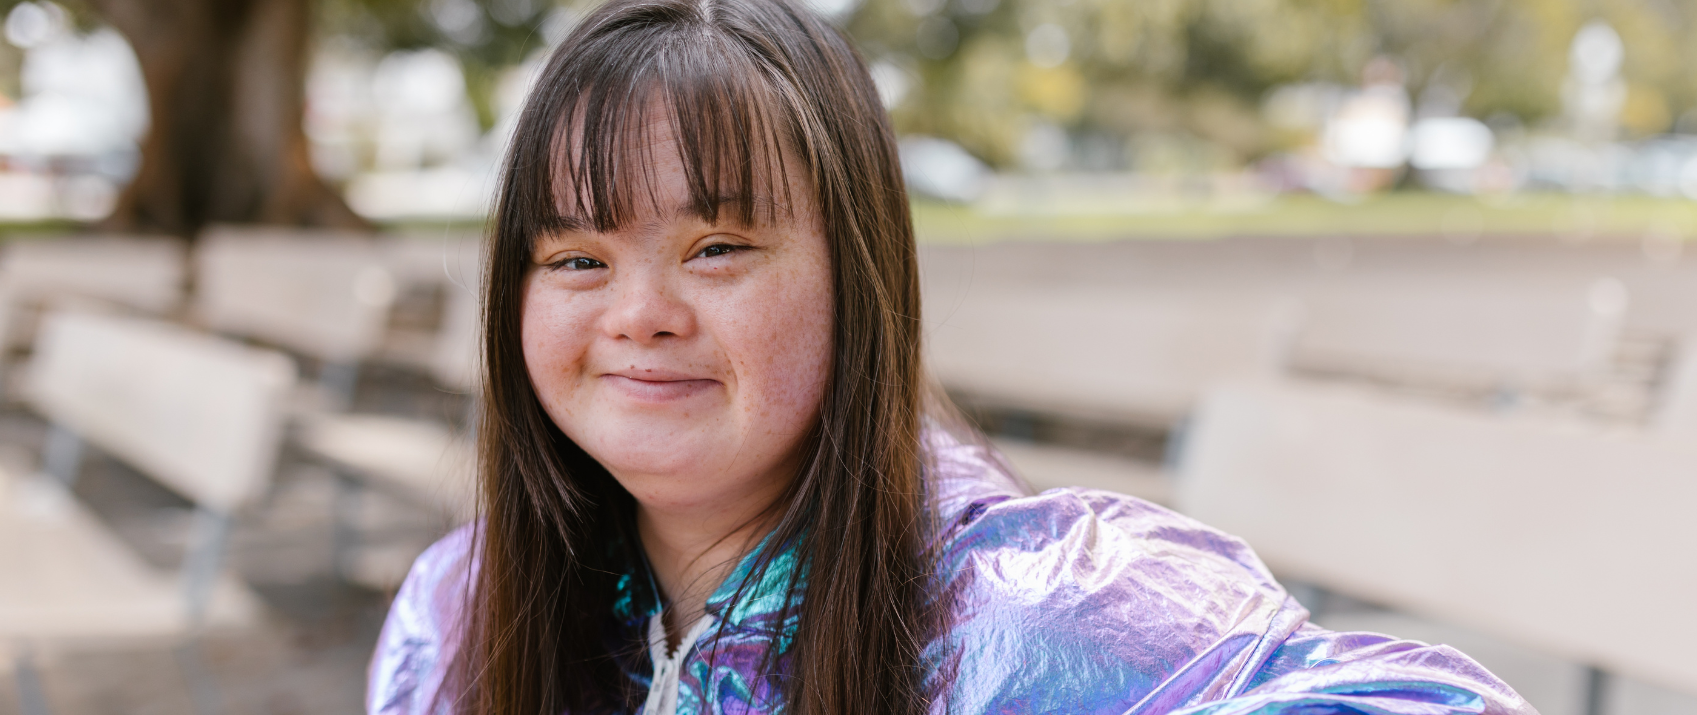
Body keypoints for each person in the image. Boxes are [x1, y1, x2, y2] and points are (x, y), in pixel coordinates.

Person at [367, 1, 1536, 713]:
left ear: (857, 275)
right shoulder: (461, 610)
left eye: (718, 246)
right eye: (575, 259)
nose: (640, 312)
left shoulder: (1035, 607)